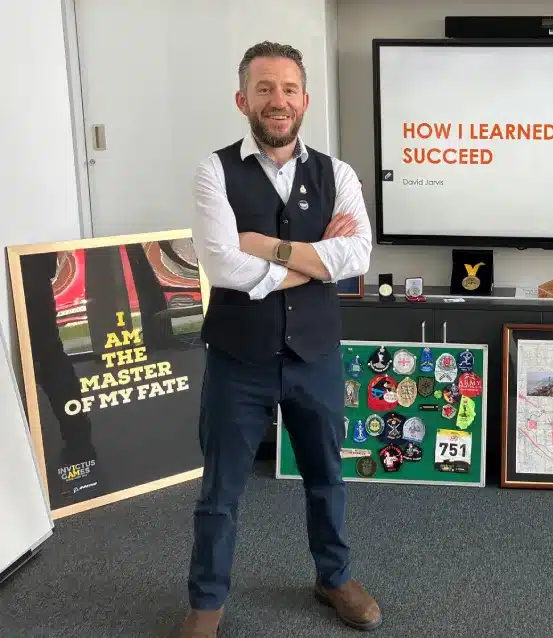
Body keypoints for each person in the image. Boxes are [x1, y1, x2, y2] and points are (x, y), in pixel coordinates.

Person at [179, 41, 379, 637]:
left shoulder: (336, 173)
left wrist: (266, 248)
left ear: (305, 101)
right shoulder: (213, 170)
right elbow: (222, 265)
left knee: (327, 477)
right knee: (220, 490)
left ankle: (334, 577)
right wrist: (314, 262)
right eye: (264, 88)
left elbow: (357, 254)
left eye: (289, 89)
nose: (278, 100)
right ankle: (206, 603)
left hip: (314, 355)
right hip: (238, 359)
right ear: (243, 99)